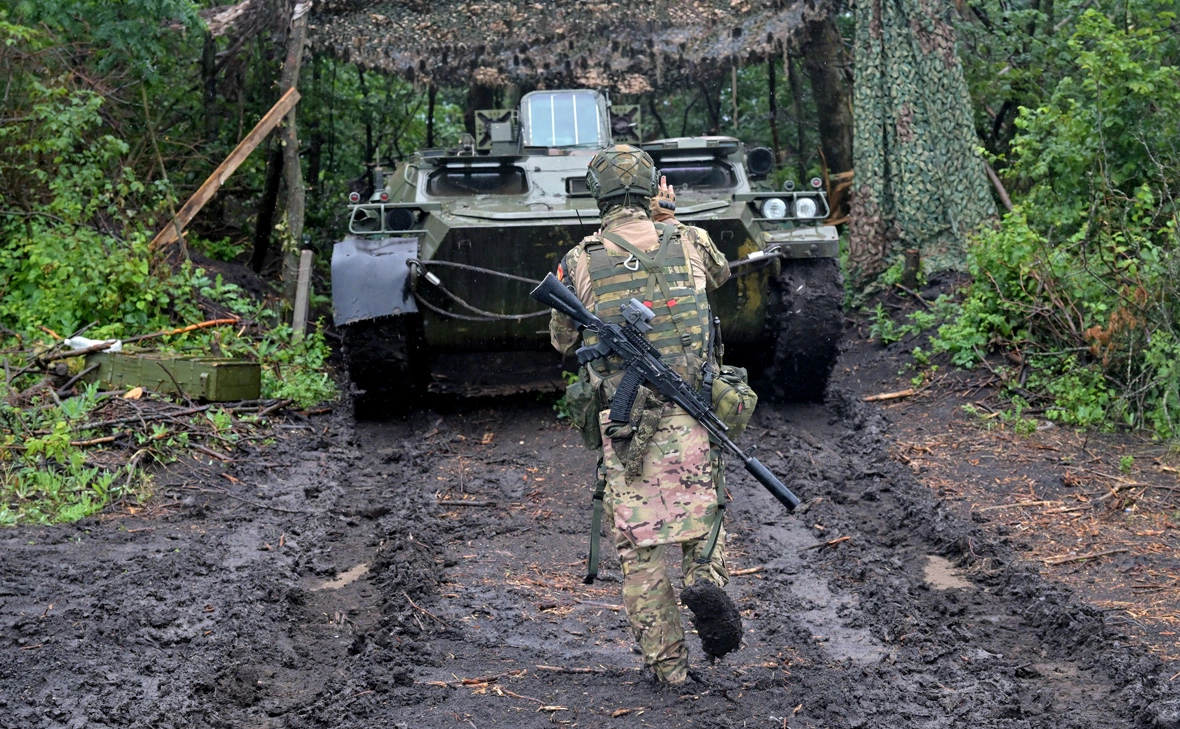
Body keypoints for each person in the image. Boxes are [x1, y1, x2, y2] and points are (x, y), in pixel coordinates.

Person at [548, 144, 742, 685]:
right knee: (704, 518)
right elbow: (721, 276)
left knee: (640, 549)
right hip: (693, 408)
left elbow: (563, 340)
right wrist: (669, 219)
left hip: (628, 422)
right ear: (653, 188)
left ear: (598, 195)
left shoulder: (581, 259)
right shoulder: (691, 240)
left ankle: (670, 669)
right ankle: (705, 578)